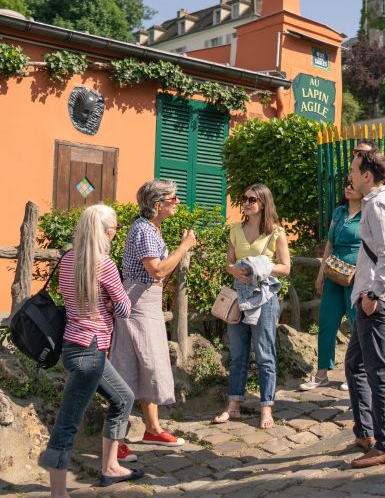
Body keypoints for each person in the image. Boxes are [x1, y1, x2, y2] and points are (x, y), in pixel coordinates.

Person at [41, 204, 142, 494]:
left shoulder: (68, 259)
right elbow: (124, 308)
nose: (116, 232)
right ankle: (58, 492)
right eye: (115, 228)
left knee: (123, 397)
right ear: (105, 231)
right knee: (67, 424)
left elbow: (72, 300)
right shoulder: (105, 264)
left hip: (72, 345)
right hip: (92, 350)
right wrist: (111, 303)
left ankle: (110, 468)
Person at [111, 180, 198, 455]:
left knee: (146, 365)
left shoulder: (148, 228)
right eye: (173, 199)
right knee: (130, 366)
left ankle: (152, 429)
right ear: (157, 204)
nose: (177, 203)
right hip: (138, 303)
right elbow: (157, 271)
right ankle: (116, 441)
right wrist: (185, 246)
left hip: (143, 300)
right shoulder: (145, 231)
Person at [345, 149, 385, 468]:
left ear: (367, 176)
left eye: (354, 171)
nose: (350, 177)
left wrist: (372, 294)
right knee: (354, 364)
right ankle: (366, 432)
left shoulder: (379, 205)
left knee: (378, 372)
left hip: (375, 301)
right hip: (369, 298)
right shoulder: (376, 203)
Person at [213, 183, 291, 429]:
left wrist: (261, 268)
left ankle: (266, 407)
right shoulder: (235, 229)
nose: (246, 203)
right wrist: (233, 270)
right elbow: (229, 263)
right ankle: (233, 406)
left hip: (265, 298)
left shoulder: (276, 232)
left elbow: (286, 267)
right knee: (237, 355)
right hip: (239, 297)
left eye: (252, 199)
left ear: (263, 203)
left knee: (265, 355)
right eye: (244, 198)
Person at [300, 175, 361, 391]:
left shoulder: (368, 213)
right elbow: (329, 244)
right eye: (346, 183)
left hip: (356, 276)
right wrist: (320, 273)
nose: (348, 187)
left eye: (353, 184)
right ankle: (322, 373)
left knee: (356, 325)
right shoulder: (340, 212)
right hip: (334, 273)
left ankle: (352, 374)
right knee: (326, 322)